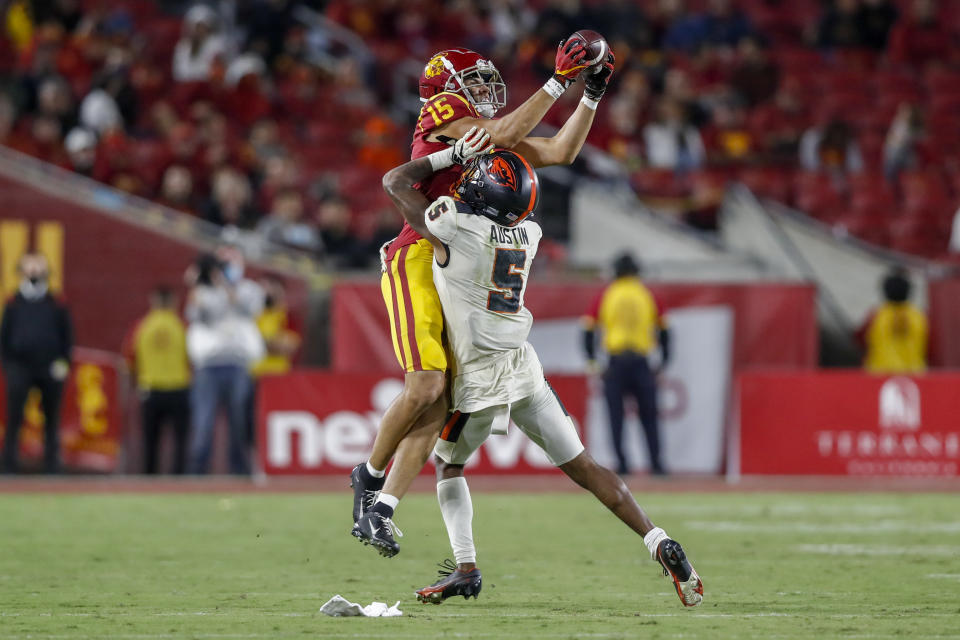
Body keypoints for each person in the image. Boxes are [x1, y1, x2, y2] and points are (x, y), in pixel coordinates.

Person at [360, 141, 702, 609]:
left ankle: (461, 564)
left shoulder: (454, 227)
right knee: (584, 466)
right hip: (523, 366)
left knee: (449, 463)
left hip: (479, 381)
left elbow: (395, 181)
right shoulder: (530, 234)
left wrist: (448, 156)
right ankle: (656, 539)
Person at [349, 40, 615, 530]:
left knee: (443, 395)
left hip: (461, 258)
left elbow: (561, 150)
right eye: (474, 82)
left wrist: (591, 94)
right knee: (426, 383)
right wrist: (558, 81)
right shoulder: (443, 112)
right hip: (421, 252)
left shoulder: (484, 134)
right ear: (443, 92)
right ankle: (367, 477)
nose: (486, 88)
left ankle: (385, 505)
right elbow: (503, 131)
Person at [582, 254, 670, 476]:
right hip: (642, 362)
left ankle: (622, 465)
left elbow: (588, 329)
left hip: (615, 363)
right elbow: (665, 329)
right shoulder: (646, 294)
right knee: (649, 417)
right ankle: (657, 465)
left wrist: (593, 361)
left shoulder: (608, 294)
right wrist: (664, 360)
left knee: (616, 417)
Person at [184, 249, 264, 474]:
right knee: (204, 423)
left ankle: (239, 471)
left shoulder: (248, 289)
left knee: (239, 423)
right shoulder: (204, 291)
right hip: (208, 367)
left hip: (237, 364)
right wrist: (196, 287)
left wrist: (227, 287)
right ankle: (197, 472)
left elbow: (250, 311)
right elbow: (196, 316)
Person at [1, 253, 73, 473]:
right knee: (15, 417)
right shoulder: (13, 302)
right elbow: (4, 338)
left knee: (51, 417)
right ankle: (8, 464)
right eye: (29, 268)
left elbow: (67, 337)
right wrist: (9, 366)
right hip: (20, 367)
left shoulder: (56, 303)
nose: (33, 272)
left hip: (49, 368)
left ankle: (52, 465)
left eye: (38, 268)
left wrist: (62, 363)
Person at [125, 286, 191, 474]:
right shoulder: (182, 326)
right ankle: (179, 478)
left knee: (150, 440)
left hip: (151, 389)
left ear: (153, 301)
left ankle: (149, 477)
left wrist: (136, 384)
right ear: (173, 302)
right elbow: (192, 357)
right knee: (180, 440)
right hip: (179, 388)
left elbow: (130, 359)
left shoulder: (142, 326)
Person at [856, 267, 928, 374]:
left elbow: (860, 340)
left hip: (879, 374)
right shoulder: (919, 317)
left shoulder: (876, 315)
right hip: (915, 374)